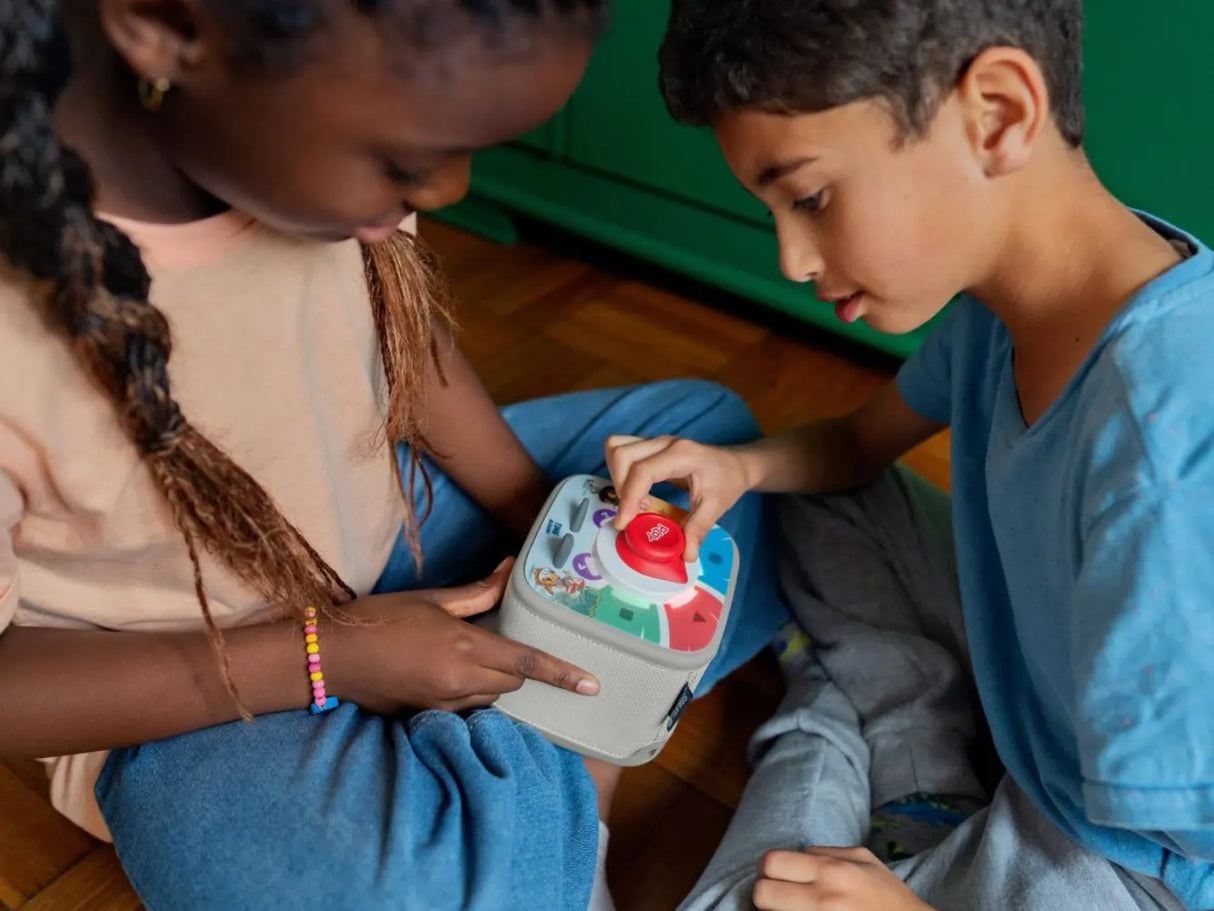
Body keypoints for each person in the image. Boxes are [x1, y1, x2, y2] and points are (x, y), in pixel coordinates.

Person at [0, 2, 789, 908]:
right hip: (187, 696)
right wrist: (327, 658)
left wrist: (547, 529)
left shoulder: (324, 143)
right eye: (413, 164)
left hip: (394, 541)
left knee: (711, 443)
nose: (451, 189)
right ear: (165, 23)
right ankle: (553, 764)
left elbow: (400, 343)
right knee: (393, 889)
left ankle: (546, 799)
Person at [605, 1, 1213, 908]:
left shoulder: (1162, 454)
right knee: (798, 491)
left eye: (809, 198)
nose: (792, 259)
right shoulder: (1002, 308)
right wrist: (737, 470)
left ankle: (856, 728)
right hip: (1045, 717)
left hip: (1130, 866)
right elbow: (854, 448)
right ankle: (911, 740)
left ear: (998, 114)